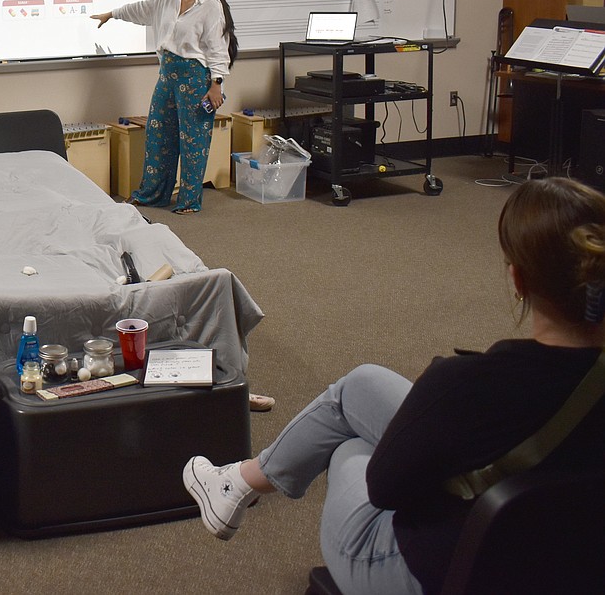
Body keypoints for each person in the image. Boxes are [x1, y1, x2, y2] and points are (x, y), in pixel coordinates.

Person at [183, 177, 605, 595]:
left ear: (518, 281)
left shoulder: (472, 386)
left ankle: (236, 484)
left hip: (450, 572)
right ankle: (238, 482)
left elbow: (388, 488)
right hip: (578, 561)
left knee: (348, 446)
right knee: (361, 385)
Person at [92, 0, 238, 215]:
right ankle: (154, 194)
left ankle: (189, 202)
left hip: (195, 78)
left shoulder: (211, 6)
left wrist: (217, 84)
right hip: (167, 75)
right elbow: (144, 10)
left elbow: (219, 48)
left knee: (192, 141)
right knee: (158, 135)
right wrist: (112, 14)